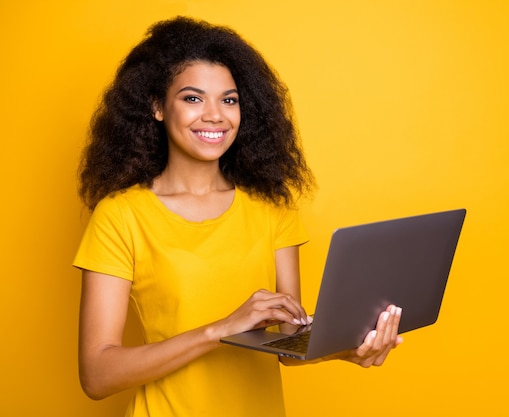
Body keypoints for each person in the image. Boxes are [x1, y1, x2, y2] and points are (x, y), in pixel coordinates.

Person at [74, 16, 402, 417]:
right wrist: (219, 330)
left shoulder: (271, 207)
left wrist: (350, 346)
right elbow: (96, 375)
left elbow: (288, 343)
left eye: (229, 100)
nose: (215, 115)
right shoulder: (121, 216)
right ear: (157, 107)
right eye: (193, 98)